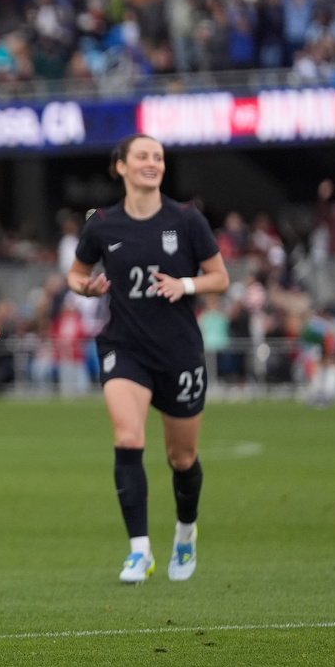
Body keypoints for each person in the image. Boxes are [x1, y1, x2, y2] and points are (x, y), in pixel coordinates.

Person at [66, 134, 230, 585]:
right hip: (125, 346)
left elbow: (220, 276)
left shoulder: (186, 218)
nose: (152, 163)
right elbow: (77, 274)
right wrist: (86, 287)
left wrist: (187, 285)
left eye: (158, 157)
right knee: (128, 435)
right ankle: (139, 551)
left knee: (182, 457)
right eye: (143, 156)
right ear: (120, 166)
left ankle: (185, 532)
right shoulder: (101, 224)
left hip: (179, 351)